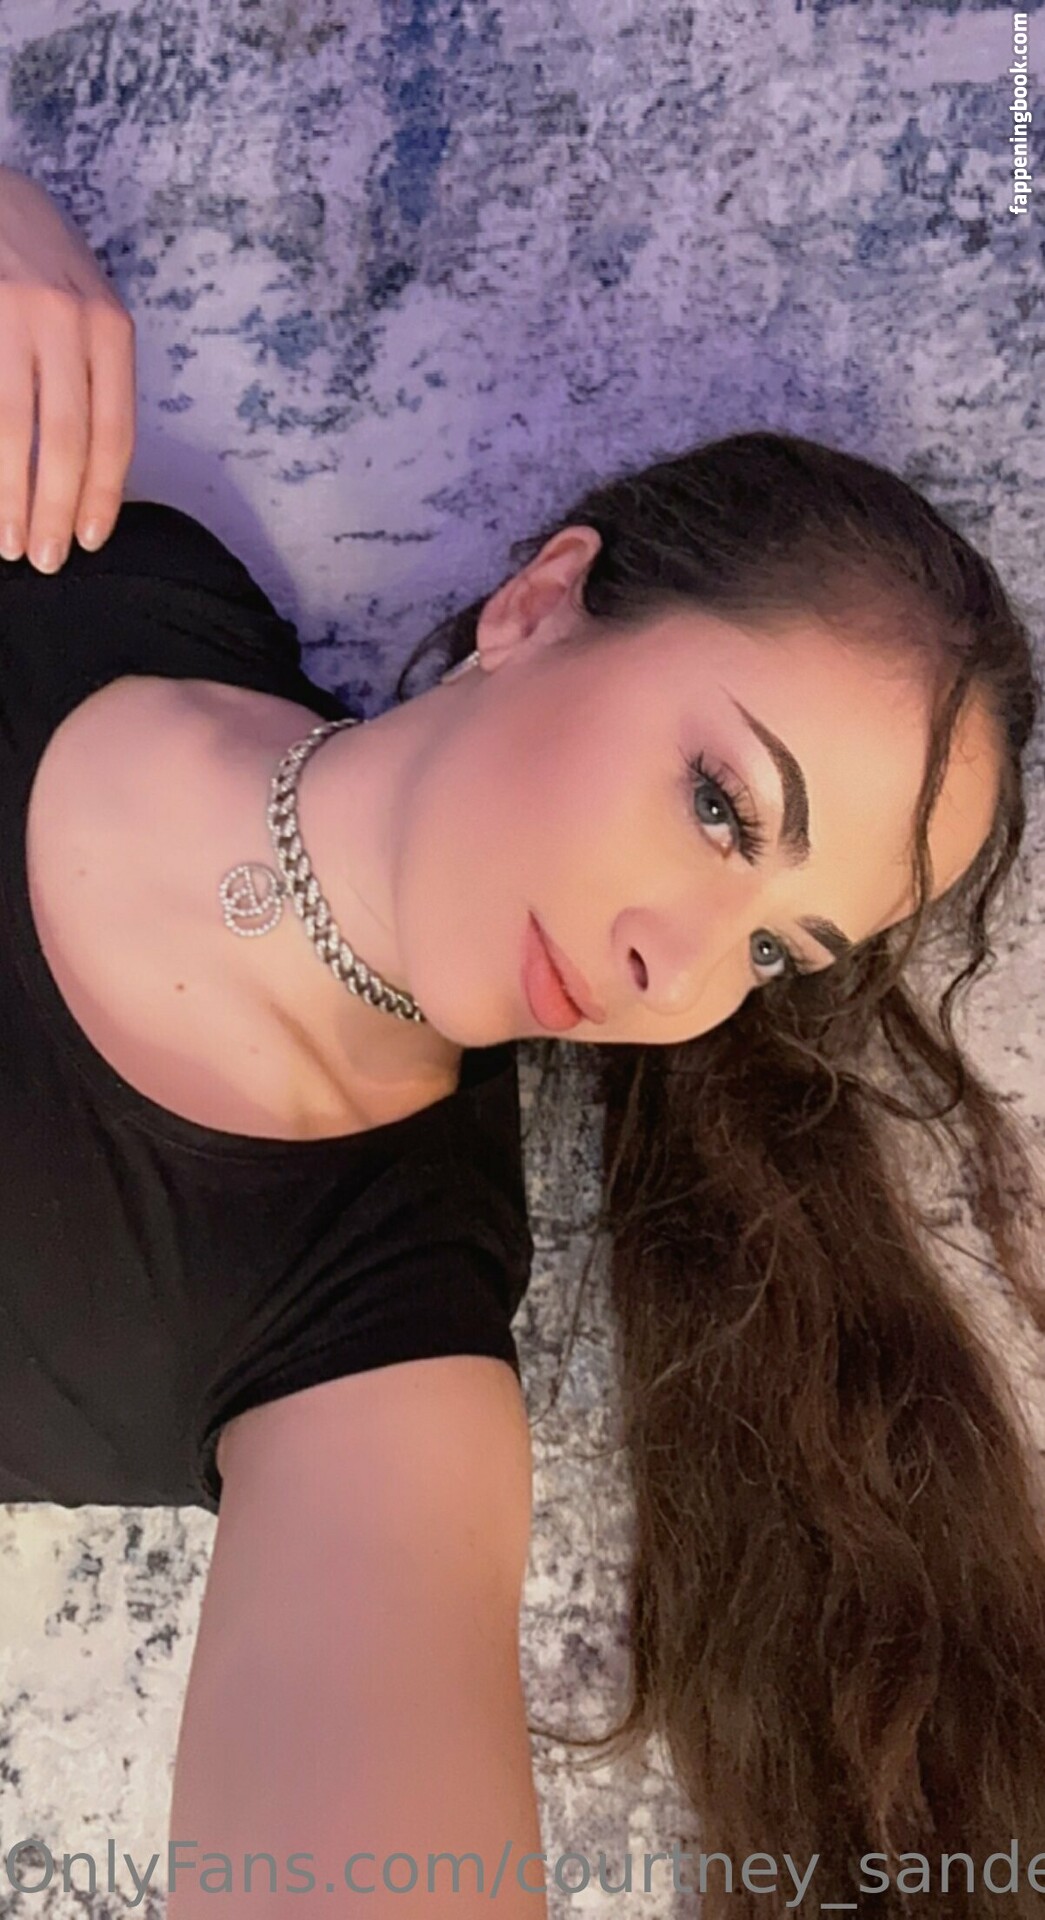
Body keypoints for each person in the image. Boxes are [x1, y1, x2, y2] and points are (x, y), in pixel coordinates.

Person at [1, 165, 1044, 1919]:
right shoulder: (106, 557)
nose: (678, 967)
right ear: (541, 604)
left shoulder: (376, 1350)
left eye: (776, 954)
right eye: (722, 806)